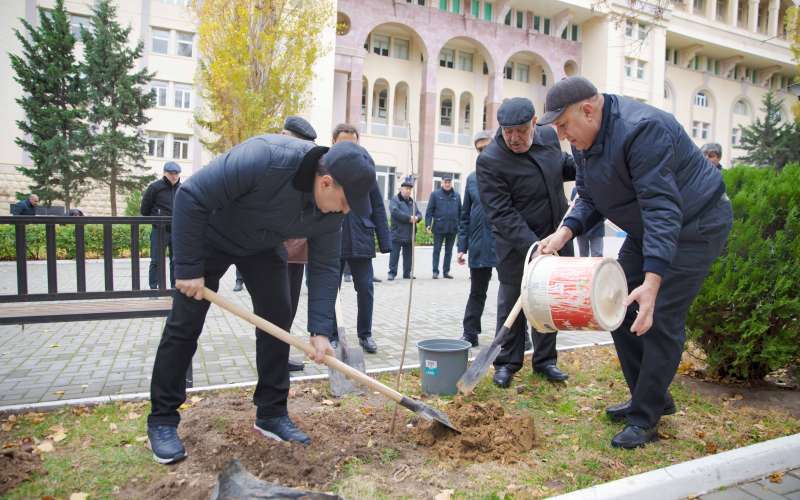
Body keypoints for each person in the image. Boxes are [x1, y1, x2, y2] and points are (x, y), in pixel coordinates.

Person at [146, 135, 376, 465]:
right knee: (185, 324)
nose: (346, 210)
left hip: (261, 246)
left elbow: (325, 265)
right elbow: (190, 195)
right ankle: (162, 420)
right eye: (345, 202)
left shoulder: (332, 212)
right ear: (326, 182)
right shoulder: (266, 158)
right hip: (209, 236)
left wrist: (320, 330)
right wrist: (188, 268)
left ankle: (271, 412)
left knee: (277, 318)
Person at [538, 76, 733, 449]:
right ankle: (652, 396)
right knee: (616, 305)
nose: (561, 136)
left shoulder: (642, 130)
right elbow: (588, 195)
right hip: (649, 228)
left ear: (588, 110)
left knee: (658, 318)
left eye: (563, 125)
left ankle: (645, 418)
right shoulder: (585, 140)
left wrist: (653, 282)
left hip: (696, 225)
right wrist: (563, 234)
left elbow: (662, 207)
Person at [476, 97, 576, 388]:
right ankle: (507, 363)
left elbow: (560, 166)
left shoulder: (549, 137)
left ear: (534, 122)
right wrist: (534, 247)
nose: (514, 138)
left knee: (548, 301)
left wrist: (586, 167)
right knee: (512, 303)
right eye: (508, 132)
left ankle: (545, 362)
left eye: (521, 130)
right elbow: (501, 213)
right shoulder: (490, 160)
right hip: (516, 245)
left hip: (555, 236)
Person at [233, 115, 317, 293]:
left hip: (295, 251)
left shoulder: (309, 171)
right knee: (269, 304)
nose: (302, 150)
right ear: (283, 135)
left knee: (290, 305)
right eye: (298, 143)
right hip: (265, 251)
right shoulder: (264, 161)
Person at [330, 123, 391, 353]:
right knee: (330, 290)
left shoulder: (365, 168)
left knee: (365, 289)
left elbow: (377, 205)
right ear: (333, 142)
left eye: (352, 144)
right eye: (343, 143)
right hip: (332, 238)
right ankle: (332, 334)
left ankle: (365, 334)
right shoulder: (325, 167)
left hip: (361, 237)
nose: (349, 149)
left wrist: (385, 242)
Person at [456, 131, 497, 348]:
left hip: (504, 243)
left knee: (511, 291)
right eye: (479, 150)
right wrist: (462, 247)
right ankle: (470, 333)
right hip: (479, 244)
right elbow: (465, 215)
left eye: (487, 148)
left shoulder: (508, 172)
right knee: (477, 291)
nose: (483, 153)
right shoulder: (472, 179)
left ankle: (519, 336)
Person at [141, 161, 181, 289]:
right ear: (165, 173)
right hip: (159, 230)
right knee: (156, 260)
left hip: (177, 231)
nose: (174, 176)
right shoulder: (155, 187)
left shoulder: (182, 188)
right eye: (171, 173)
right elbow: (144, 209)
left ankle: (174, 288)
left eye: (176, 173)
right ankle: (153, 288)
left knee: (176, 261)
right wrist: (156, 220)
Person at [425, 175, 461, 279]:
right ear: (442, 183)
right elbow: (429, 211)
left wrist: (461, 226)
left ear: (451, 183)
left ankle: (446, 271)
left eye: (449, 182)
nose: (447, 184)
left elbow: (460, 212)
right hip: (439, 227)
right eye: (445, 182)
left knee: (449, 252)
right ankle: (435, 271)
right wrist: (428, 224)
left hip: (452, 227)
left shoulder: (457, 196)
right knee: (437, 250)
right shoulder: (435, 195)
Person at [388, 176, 421, 280]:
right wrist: (409, 218)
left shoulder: (412, 202)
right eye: (406, 189)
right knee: (394, 255)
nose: (408, 191)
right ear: (401, 189)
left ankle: (407, 273)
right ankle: (392, 273)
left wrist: (417, 218)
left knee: (408, 256)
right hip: (397, 232)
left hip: (410, 233)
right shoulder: (395, 200)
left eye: (410, 189)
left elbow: (419, 214)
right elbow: (395, 212)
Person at [570, 185, 604, 257]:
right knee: (583, 255)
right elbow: (574, 206)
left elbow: (604, 206)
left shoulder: (599, 187)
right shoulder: (576, 189)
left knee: (597, 254)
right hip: (581, 227)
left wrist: (601, 218)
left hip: (597, 227)